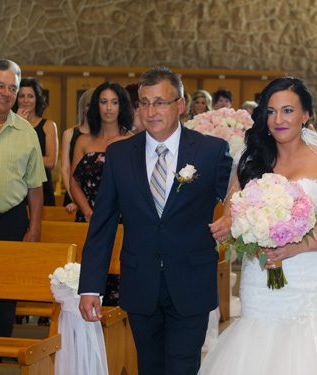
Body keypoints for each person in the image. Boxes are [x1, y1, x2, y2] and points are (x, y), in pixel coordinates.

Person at [200, 77, 317, 375]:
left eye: (288, 110)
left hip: (309, 277)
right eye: (271, 111)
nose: (278, 119)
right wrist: (229, 224)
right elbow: (233, 210)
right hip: (260, 277)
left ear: (306, 115)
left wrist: (302, 243)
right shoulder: (251, 159)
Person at [78, 66, 232, 374]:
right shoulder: (120, 155)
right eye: (144, 102)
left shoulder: (210, 151)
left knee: (181, 366)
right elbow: (103, 224)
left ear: (180, 105)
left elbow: (238, 194)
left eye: (160, 102)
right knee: (149, 366)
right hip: (140, 283)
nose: (151, 110)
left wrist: (231, 216)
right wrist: (90, 287)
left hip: (191, 282)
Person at [0, 59, 46, 356]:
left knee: (3, 301)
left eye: (12, 88)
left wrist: (34, 227)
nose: (5, 92)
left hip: (9, 223)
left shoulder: (26, 132)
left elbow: (35, 187)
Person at [70, 82, 134, 223]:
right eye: (104, 102)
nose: (109, 108)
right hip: (88, 217)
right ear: (96, 106)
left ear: (121, 107)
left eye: (114, 102)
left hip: (123, 217)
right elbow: (74, 183)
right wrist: (88, 213)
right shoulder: (83, 141)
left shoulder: (132, 141)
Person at [13, 78, 59, 206]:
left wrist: (23, 157)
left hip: (42, 185)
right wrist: (19, 124)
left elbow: (50, 162)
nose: (26, 100)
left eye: (30, 96)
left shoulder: (49, 126)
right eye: (22, 96)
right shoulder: (11, 124)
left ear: (37, 99)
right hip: (16, 187)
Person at [60, 88, 94, 214]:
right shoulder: (69, 133)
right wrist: (76, 198)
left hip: (95, 196)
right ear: (83, 108)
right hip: (72, 195)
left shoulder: (102, 137)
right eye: (89, 105)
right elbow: (65, 169)